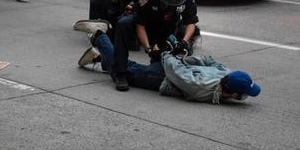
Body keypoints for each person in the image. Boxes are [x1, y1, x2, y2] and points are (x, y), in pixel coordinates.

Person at [75, 0, 200, 91]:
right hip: (144, 24)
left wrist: (184, 42)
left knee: (159, 73)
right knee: (123, 24)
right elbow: (140, 25)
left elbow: (191, 21)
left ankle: (103, 57)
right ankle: (120, 72)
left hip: (166, 28)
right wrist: (148, 49)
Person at [78, 30, 261, 104]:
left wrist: (180, 59)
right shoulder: (202, 87)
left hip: (171, 67)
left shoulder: (227, 74)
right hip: (163, 76)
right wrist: (168, 56)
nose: (245, 97)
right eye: (244, 94)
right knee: (122, 69)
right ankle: (99, 36)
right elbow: (178, 73)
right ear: (234, 94)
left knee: (127, 66)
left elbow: (210, 62)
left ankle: (100, 57)